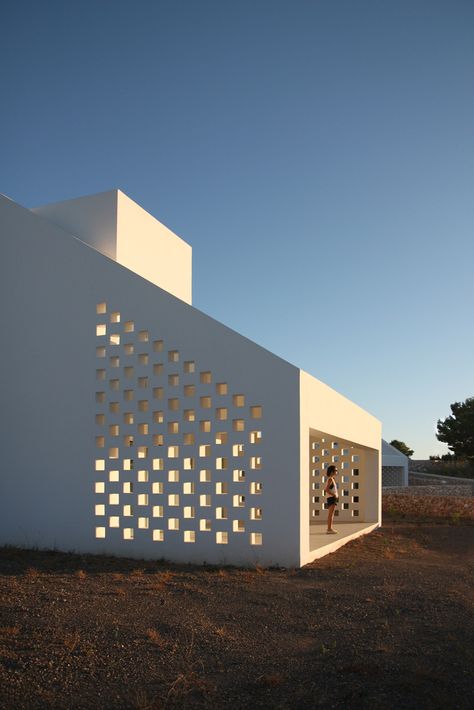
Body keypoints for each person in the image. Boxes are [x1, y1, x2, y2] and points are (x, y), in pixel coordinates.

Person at [325, 465, 339, 533]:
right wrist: (334, 495)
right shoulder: (330, 479)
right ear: (332, 472)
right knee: (331, 514)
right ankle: (329, 529)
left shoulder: (332, 479)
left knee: (331, 514)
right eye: (335, 470)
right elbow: (326, 490)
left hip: (332, 498)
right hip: (331, 498)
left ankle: (329, 528)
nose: (337, 471)